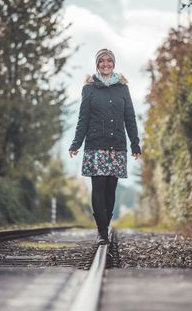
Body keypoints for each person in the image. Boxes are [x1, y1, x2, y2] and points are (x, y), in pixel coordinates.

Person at [69, 48, 141, 244]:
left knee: (111, 190)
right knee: (98, 187)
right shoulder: (89, 89)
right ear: (97, 64)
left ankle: (105, 223)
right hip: (95, 146)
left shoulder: (123, 88)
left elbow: (130, 118)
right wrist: (76, 143)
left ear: (114, 64)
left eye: (109, 60)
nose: (106, 64)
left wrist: (135, 144)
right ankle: (101, 231)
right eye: (102, 60)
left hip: (117, 145)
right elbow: (83, 119)